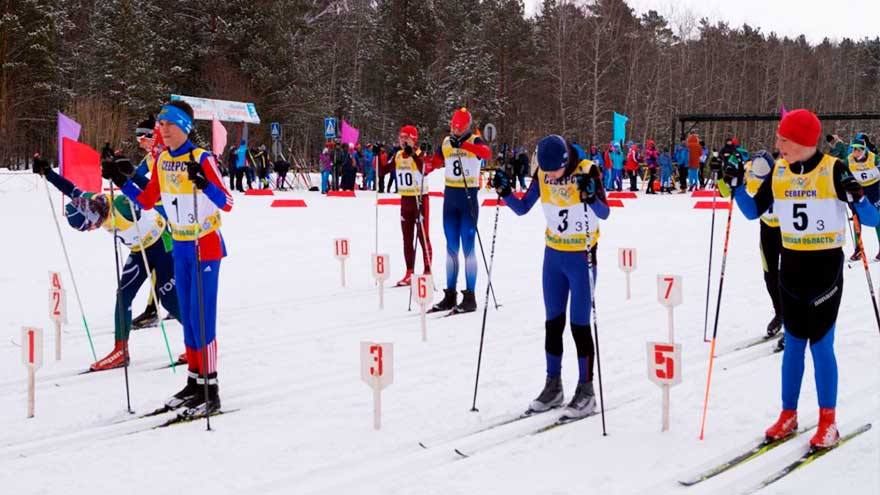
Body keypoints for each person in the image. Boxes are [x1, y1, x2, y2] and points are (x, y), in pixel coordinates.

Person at [727, 108, 879, 449]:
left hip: (825, 272)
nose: (778, 144)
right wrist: (735, 187)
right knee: (793, 347)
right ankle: (788, 414)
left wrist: (857, 197)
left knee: (821, 345)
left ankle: (828, 420)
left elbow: (870, 220)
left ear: (803, 141)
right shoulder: (779, 171)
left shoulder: (833, 169)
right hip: (790, 269)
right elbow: (753, 212)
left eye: (784, 139)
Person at [111, 100, 233, 417]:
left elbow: (227, 201)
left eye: (168, 125)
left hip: (204, 245)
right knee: (189, 318)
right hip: (179, 244)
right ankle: (194, 383)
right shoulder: (163, 159)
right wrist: (119, 179)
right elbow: (149, 199)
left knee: (203, 318)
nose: (162, 131)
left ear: (185, 127)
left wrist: (204, 184)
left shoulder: (201, 158)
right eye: (160, 125)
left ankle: (211, 388)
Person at [34, 139, 182, 372]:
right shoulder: (90, 200)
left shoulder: (123, 206)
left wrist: (123, 175)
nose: (93, 229)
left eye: (91, 226)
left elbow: (150, 197)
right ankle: (120, 350)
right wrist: (47, 172)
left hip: (161, 245)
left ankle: (199, 344)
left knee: (171, 300)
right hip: (138, 250)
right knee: (123, 296)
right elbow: (69, 188)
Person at [490, 134, 610, 418]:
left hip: (582, 257)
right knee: (553, 323)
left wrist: (591, 195)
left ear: (567, 162)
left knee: (579, 325)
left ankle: (586, 391)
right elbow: (522, 208)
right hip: (553, 257)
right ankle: (553, 385)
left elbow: (604, 213)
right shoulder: (543, 172)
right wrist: (506, 192)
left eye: (555, 170)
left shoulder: (587, 169)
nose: (551, 176)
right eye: (546, 171)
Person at [428, 108, 492, 314]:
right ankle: (450, 295)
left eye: (459, 127)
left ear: (467, 126)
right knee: (451, 248)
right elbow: (434, 162)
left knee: (468, 249)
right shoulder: (447, 143)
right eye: (453, 126)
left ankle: (470, 297)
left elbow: (487, 154)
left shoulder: (475, 141)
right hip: (450, 201)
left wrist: (464, 145)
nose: (455, 130)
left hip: (468, 200)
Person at [392, 126, 435, 286]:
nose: (403, 140)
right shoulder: (397, 155)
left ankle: (427, 270)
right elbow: (382, 170)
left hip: (420, 200)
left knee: (422, 236)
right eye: (401, 137)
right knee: (407, 238)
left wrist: (415, 155)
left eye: (406, 137)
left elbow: (425, 169)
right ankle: (409, 272)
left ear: (413, 139)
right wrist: (379, 154)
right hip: (405, 200)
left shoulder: (419, 153)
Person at [847, 137, 880, 261]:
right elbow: (842, 172)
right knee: (857, 217)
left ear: (864, 150)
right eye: (854, 149)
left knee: (877, 218)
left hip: (874, 189)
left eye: (858, 150)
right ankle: (859, 249)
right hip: (859, 189)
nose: (855, 152)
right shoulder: (849, 160)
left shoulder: (874, 158)